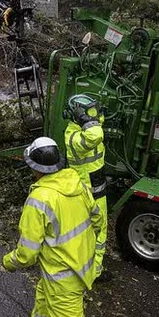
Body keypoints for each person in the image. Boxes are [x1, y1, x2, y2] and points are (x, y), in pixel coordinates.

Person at [2, 137, 128, 317]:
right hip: (81, 267)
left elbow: (27, 254)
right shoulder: (76, 183)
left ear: (34, 168)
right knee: (43, 302)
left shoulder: (39, 200)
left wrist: (9, 261)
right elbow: (98, 219)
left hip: (63, 278)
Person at [64, 94, 110, 281]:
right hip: (89, 192)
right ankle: (94, 273)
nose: (95, 117)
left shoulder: (86, 127)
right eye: (89, 114)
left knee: (89, 232)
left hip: (94, 187)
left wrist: (94, 116)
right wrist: (90, 120)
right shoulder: (73, 136)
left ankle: (81, 267)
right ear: (80, 117)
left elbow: (97, 125)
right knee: (98, 232)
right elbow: (95, 134)